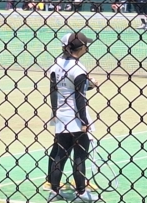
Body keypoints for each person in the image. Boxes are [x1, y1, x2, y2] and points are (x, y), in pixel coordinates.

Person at [46, 32, 99, 202]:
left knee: (60, 154)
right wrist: (83, 121)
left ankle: (54, 192)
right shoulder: (78, 68)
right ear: (81, 47)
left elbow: (55, 91)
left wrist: (55, 113)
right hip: (76, 117)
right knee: (80, 155)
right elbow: (79, 97)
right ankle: (81, 193)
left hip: (61, 115)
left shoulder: (56, 65)